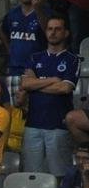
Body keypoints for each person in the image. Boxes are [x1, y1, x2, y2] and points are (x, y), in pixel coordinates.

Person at [18, 14, 77, 175]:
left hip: (58, 125)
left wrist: (35, 84)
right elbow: (25, 84)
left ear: (66, 33)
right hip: (32, 125)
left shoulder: (73, 60)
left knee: (59, 175)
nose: (53, 32)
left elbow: (64, 88)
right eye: (50, 29)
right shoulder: (34, 57)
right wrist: (52, 80)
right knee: (31, 176)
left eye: (58, 29)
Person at [1, 0, 46, 103]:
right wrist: (9, 48)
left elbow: (49, 33)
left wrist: (38, 10)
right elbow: (2, 31)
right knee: (14, 112)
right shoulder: (12, 14)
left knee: (34, 111)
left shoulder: (44, 12)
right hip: (14, 70)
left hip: (36, 71)